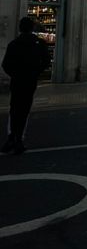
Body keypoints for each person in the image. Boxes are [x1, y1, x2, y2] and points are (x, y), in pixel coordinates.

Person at [1, 17, 50, 154]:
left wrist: (14, 74)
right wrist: (36, 72)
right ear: (32, 28)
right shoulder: (39, 43)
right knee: (25, 109)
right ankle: (19, 139)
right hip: (30, 81)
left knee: (14, 108)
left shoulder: (14, 44)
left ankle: (11, 136)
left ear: (20, 28)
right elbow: (46, 61)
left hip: (17, 81)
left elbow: (5, 65)